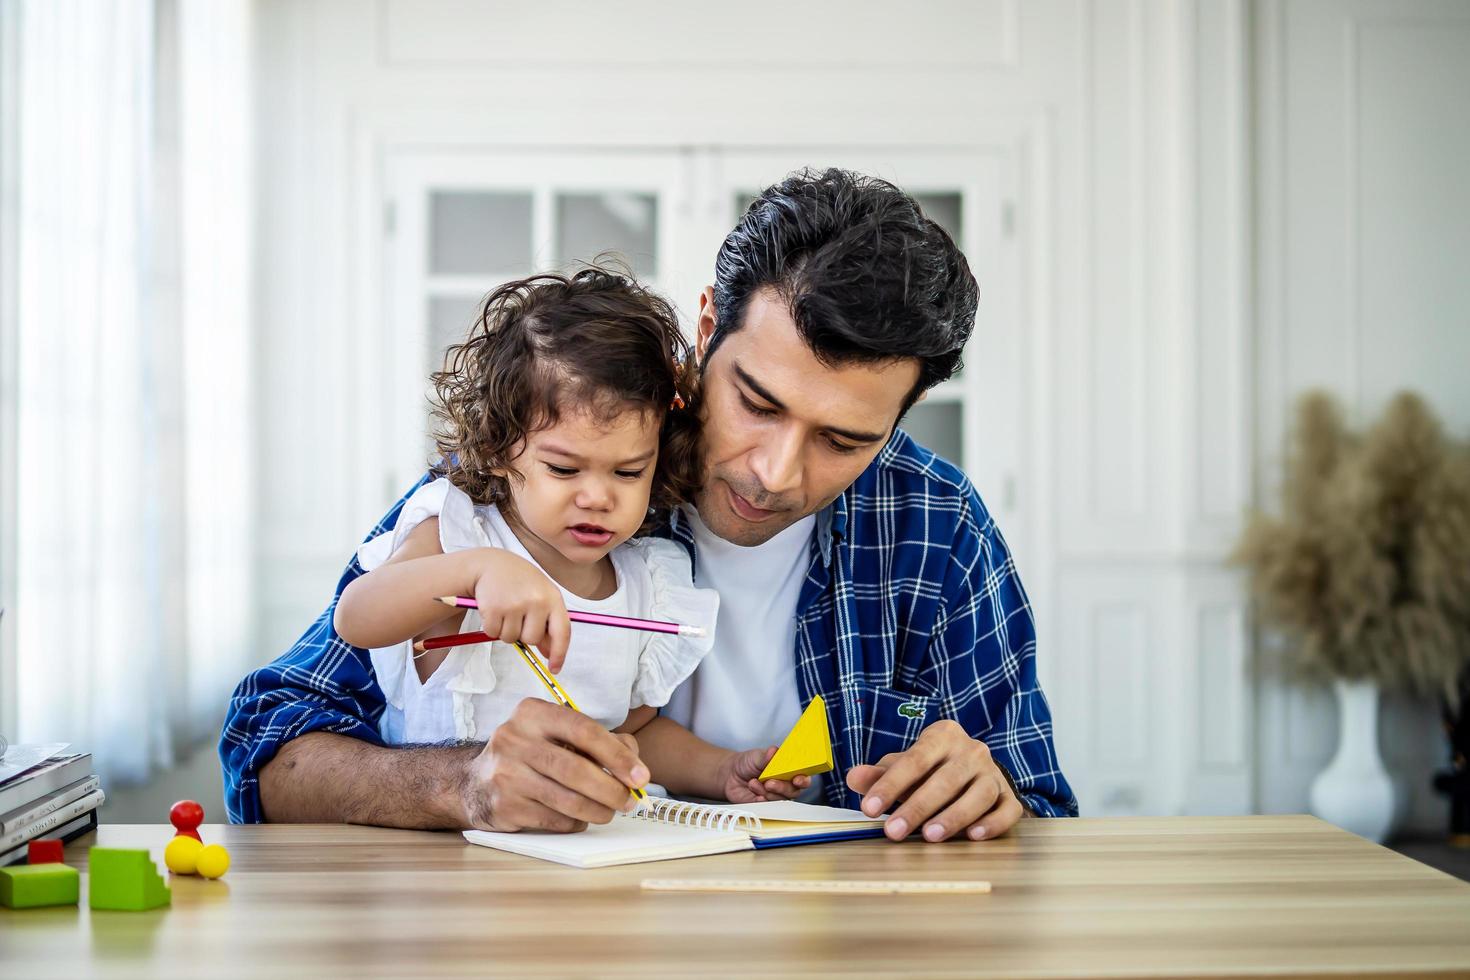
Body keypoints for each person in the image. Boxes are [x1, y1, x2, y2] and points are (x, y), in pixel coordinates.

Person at [222, 168, 1077, 842]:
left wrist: (992, 792)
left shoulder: (937, 525)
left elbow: (1039, 804)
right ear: (707, 326)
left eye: (843, 440)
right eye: (759, 402)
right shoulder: (528, 485)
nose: (776, 473)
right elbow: (266, 752)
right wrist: (462, 784)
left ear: (900, 416)